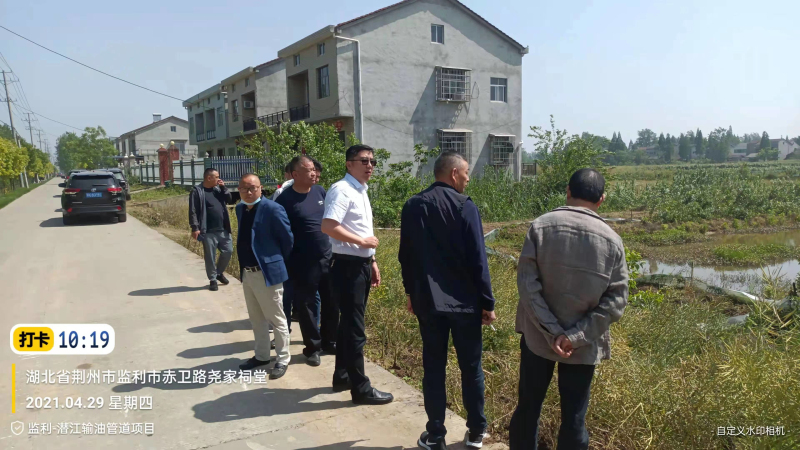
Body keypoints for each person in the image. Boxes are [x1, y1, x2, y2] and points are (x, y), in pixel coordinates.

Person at [510, 168, 629, 450]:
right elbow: (616, 301)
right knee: (574, 419)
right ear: (601, 199)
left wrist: (552, 332)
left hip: (538, 339)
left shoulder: (541, 227)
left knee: (528, 408)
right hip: (582, 347)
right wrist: (573, 337)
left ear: (567, 191)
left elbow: (527, 286)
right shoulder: (612, 240)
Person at [399, 152, 496, 450]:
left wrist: (411, 293)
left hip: (428, 302)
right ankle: (476, 432)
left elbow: (406, 256)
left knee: (433, 367)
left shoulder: (413, 205)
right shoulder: (465, 206)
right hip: (465, 303)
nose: (468, 179)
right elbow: (478, 259)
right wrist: (487, 303)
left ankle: (435, 434)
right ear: (454, 173)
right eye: (466, 173)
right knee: (471, 367)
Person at [322, 144, 393, 405]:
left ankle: (342, 375)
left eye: (372, 161)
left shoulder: (360, 190)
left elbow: (361, 228)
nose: (370, 166)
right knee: (355, 330)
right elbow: (328, 226)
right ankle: (361, 389)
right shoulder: (342, 190)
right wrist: (362, 243)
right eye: (364, 161)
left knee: (348, 326)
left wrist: (371, 259)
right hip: (347, 267)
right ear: (349, 163)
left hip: (360, 264)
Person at [275, 155, 337, 366]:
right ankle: (312, 348)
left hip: (327, 257)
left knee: (331, 302)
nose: (314, 173)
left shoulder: (320, 191)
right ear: (295, 174)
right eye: (309, 170)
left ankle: (329, 341)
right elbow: (279, 232)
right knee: (307, 306)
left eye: (314, 169)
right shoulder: (284, 200)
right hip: (302, 262)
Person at [235, 173, 294, 379]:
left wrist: (274, 262)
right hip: (248, 273)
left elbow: (287, 240)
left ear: (261, 188)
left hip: (267, 273)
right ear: (239, 190)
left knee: (276, 318)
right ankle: (261, 356)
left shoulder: (273, 209)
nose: (249, 192)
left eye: (253, 188)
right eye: (244, 188)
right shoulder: (240, 209)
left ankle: (283, 358)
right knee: (256, 318)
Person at [189, 168, 234, 291]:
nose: (219, 179)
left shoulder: (218, 189)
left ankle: (219, 273)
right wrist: (195, 227)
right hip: (208, 230)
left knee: (228, 251)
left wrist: (223, 188)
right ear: (209, 178)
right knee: (210, 256)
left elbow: (229, 199)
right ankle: (213, 279)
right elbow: (193, 211)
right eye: (217, 177)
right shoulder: (197, 191)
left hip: (223, 228)